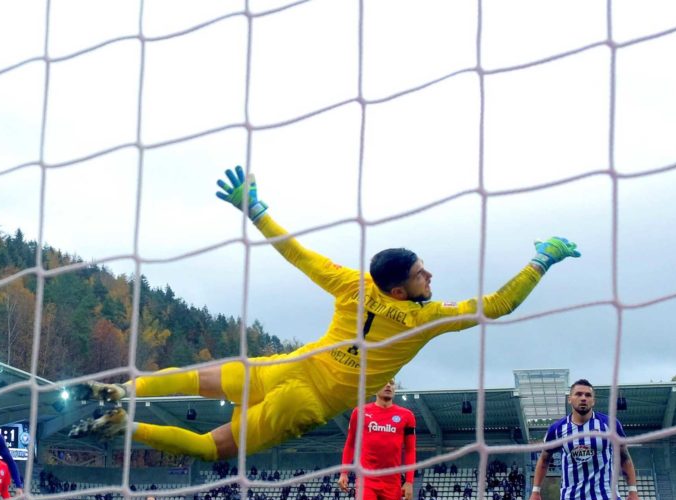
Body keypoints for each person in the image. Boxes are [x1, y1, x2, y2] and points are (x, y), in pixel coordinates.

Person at [69, 165, 580, 460]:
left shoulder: (352, 284)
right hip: (306, 402)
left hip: (289, 368)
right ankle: (128, 426)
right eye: (423, 274)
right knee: (210, 449)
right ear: (401, 291)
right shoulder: (428, 318)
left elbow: (296, 253)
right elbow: (497, 305)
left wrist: (255, 210)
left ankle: (125, 391)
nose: (432, 277)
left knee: (197, 380)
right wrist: (542, 259)